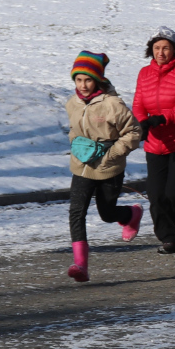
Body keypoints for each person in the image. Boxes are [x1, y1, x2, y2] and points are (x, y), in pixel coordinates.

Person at [64, 51, 143, 282]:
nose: (83, 85)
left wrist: (112, 155)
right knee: (76, 212)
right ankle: (81, 265)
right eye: (79, 80)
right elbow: (74, 130)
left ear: (97, 79)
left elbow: (134, 132)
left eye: (88, 79)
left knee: (107, 214)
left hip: (109, 167)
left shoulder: (113, 104)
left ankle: (131, 213)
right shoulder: (72, 103)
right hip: (81, 166)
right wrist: (76, 145)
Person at [132, 27, 175, 254]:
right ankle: (169, 237)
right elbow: (138, 103)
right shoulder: (144, 73)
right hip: (154, 143)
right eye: (156, 48)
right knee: (156, 195)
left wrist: (162, 118)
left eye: (165, 48)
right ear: (150, 50)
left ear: (174, 49)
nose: (161, 52)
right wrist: (143, 122)